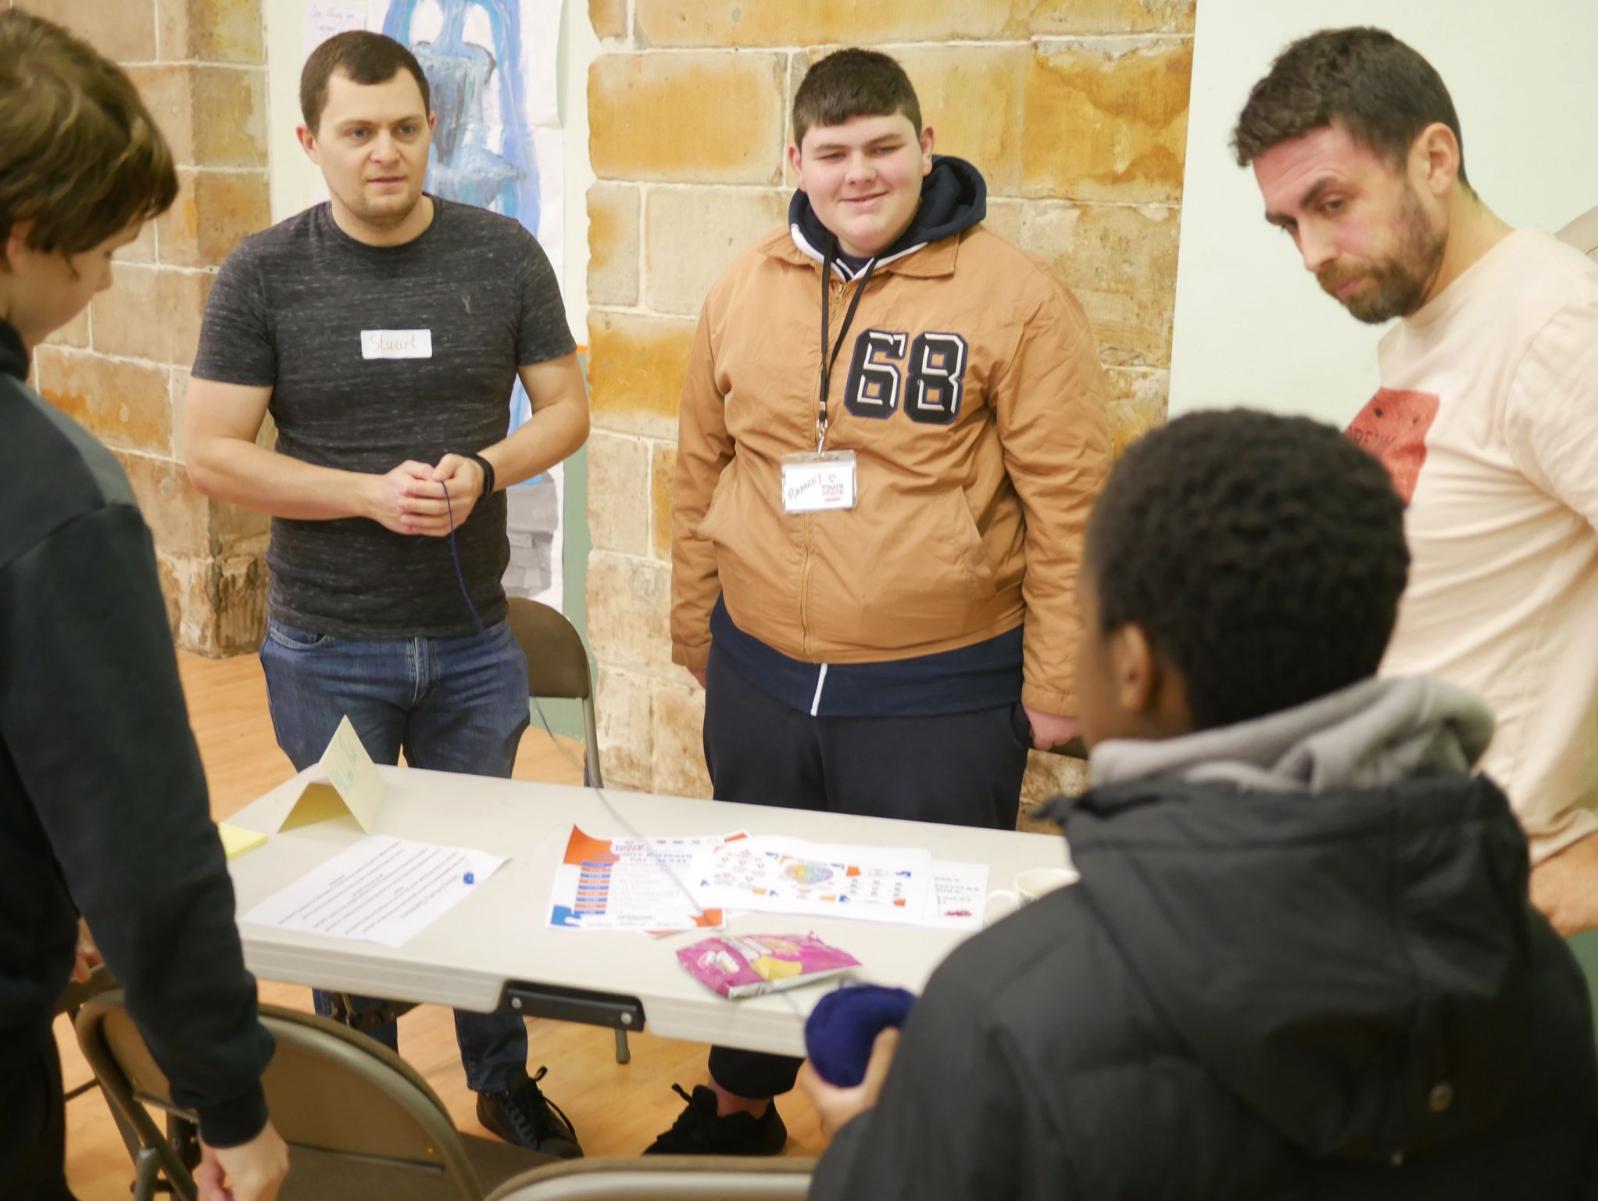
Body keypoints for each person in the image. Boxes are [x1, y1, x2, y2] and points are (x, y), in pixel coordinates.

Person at [800, 409, 1598, 1200]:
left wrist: (867, 1135)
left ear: (1132, 666)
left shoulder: (1003, 1012)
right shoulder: (1535, 970)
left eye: (1084, 621)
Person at [661, 47, 1110, 1154]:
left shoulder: (1013, 297)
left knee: (923, 919)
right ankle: (740, 1103)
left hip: (938, 688)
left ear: (922, 144)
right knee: (760, 906)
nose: (857, 174)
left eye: (879, 148)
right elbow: (697, 464)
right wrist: (692, 622)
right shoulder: (744, 283)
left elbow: (1072, 505)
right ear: (794, 160)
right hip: (760, 668)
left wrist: (1057, 684)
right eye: (832, 153)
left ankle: (918, 1141)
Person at [183, 30, 588, 1156]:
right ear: (312, 140)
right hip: (328, 641)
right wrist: (362, 495)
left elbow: (567, 407)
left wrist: (487, 465)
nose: (385, 153)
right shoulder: (263, 272)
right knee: (346, 875)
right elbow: (212, 452)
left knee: (484, 872)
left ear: (432, 130)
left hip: (471, 639)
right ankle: (368, 1095)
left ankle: (496, 1079)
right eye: (357, 132)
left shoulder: (502, 255)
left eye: (405, 128)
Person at [0, 11, 287, 1200]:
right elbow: (145, 844)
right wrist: (225, 1101)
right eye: (100, 251)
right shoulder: (50, 494)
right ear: (21, 240)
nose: (110, 278)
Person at [1233, 26, 1598, 937]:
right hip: (1371, 862)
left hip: (1467, 894)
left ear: (1435, 157)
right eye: (1289, 224)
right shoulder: (1428, 322)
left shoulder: (1554, 325)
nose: (1312, 252)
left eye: (1332, 202)